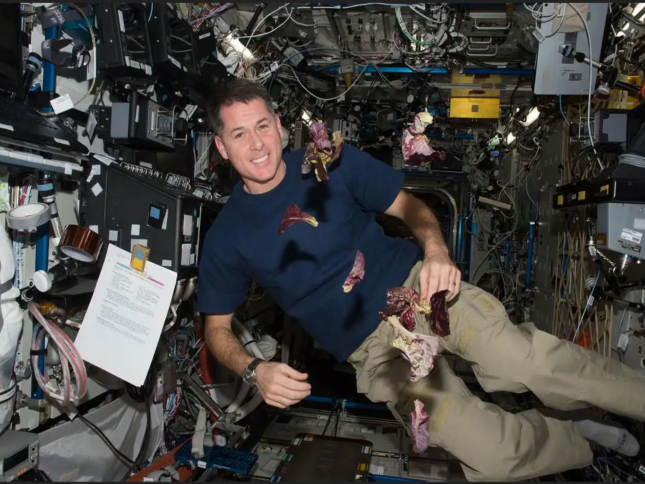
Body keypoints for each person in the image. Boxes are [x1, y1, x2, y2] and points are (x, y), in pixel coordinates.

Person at [198, 78, 644, 481]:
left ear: (278, 126)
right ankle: (576, 435)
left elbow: (410, 207)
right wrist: (253, 370)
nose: (256, 143)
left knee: (521, 361)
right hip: (374, 353)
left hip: (418, 290)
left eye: (262, 126)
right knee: (492, 455)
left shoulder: (332, 161)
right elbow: (216, 329)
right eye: (239, 134)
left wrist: (436, 251)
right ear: (221, 146)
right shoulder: (226, 237)